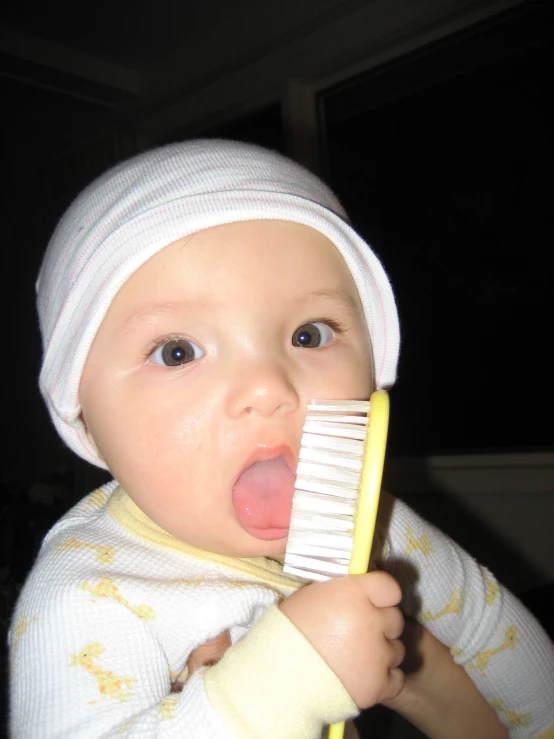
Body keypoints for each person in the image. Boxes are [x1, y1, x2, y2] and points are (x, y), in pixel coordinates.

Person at [9, 140, 554, 738]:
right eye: (178, 352)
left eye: (309, 335)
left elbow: (485, 624)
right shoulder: (89, 597)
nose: (268, 387)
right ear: (84, 417)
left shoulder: (372, 523)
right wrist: (277, 686)